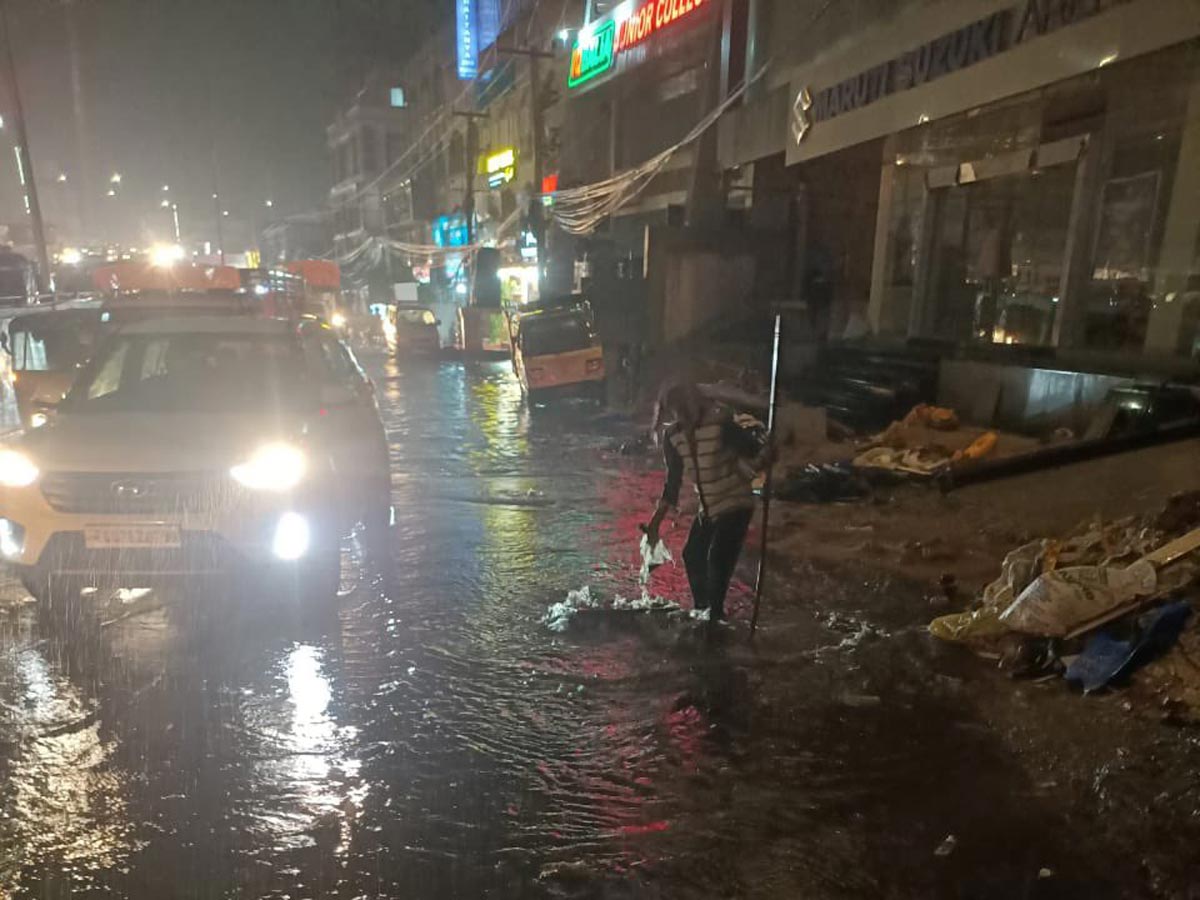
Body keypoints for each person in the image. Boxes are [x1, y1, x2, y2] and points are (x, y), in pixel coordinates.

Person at [644, 382, 769, 624]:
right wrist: (654, 525)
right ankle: (703, 609)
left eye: (684, 407)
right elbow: (672, 485)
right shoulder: (674, 437)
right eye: (675, 410)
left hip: (736, 501)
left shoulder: (720, 424)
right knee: (692, 554)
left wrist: (769, 453)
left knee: (718, 558)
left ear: (695, 402)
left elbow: (754, 452)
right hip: (709, 507)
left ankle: (715, 614)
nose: (682, 414)